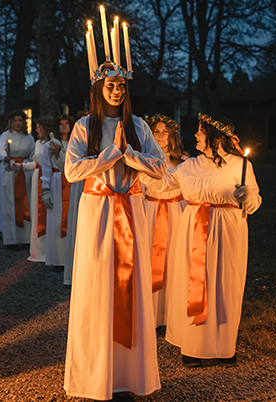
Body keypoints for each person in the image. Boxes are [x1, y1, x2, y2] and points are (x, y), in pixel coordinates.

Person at [64, 61, 166, 400]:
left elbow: (161, 168)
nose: (117, 89)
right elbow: (72, 171)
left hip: (132, 210)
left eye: (122, 84)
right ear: (98, 88)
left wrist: (131, 155)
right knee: (99, 286)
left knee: (131, 285)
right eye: (111, 84)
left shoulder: (137, 125)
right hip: (99, 212)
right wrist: (109, 155)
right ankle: (96, 376)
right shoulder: (84, 126)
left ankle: (130, 375)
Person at [141, 113, 261, 368]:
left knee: (225, 284)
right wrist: (135, 169)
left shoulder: (240, 165)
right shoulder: (189, 165)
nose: (195, 135)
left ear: (214, 136)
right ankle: (194, 348)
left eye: (200, 131)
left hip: (229, 231)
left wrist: (246, 195)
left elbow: (255, 202)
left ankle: (223, 347)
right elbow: (163, 184)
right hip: (193, 228)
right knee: (194, 284)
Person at [142, 114, 189, 328]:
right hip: (151, 212)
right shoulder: (145, 160)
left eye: (165, 132)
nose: (160, 136)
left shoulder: (184, 162)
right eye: (156, 132)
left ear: (172, 135)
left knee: (175, 263)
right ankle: (152, 315)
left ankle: (172, 316)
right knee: (151, 262)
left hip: (176, 212)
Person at [0, 110, 35, 248]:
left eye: (21, 120)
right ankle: (11, 239)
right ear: (11, 122)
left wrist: (27, 165)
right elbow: (1, 150)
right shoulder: (5, 135)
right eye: (16, 120)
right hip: (10, 170)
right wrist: (5, 157)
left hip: (24, 171)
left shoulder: (29, 138)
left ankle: (25, 238)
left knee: (26, 202)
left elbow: (33, 155)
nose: (18, 123)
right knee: (10, 202)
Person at [42, 114, 73, 270]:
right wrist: (45, 189)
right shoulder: (49, 144)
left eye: (67, 123)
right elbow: (46, 168)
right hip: (55, 182)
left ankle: (70, 258)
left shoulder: (76, 144)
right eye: (61, 123)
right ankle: (57, 258)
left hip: (72, 184)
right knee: (55, 220)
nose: (64, 126)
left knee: (71, 220)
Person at [29, 118, 53, 262]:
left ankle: (49, 250)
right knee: (37, 212)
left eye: (38, 127)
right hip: (37, 177)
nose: (37, 130)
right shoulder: (37, 143)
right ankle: (38, 250)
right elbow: (35, 163)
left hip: (48, 177)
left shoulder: (53, 142)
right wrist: (19, 167)